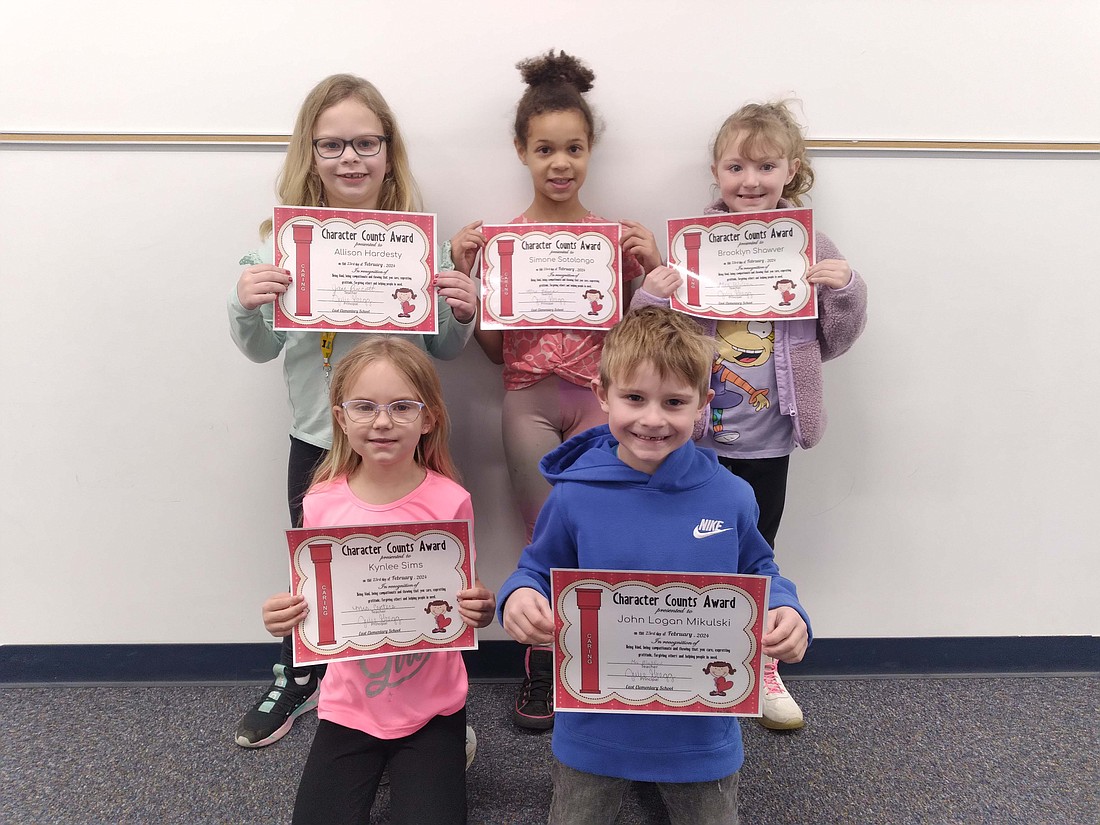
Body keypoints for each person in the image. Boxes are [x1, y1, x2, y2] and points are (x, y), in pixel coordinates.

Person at [227, 74, 477, 748]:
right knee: (317, 567)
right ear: (309, 154)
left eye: (365, 142)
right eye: (332, 144)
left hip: (406, 441)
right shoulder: (279, 246)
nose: (350, 158)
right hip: (319, 437)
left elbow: (446, 349)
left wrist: (463, 307)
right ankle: (300, 674)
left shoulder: (424, 242)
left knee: (414, 563)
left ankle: (430, 694)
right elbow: (257, 348)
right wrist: (246, 302)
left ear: (388, 151)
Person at [498, 306, 810, 825]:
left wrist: (786, 608)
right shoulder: (574, 497)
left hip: (699, 726)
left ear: (704, 404)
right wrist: (520, 597)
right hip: (593, 721)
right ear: (603, 395)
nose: (652, 419)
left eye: (674, 402)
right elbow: (536, 568)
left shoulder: (731, 496)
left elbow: (761, 572)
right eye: (634, 398)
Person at [446, 49, 662, 731]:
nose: (560, 162)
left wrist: (648, 271)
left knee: (606, 530)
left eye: (573, 147)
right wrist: (465, 274)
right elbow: (491, 352)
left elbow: (637, 344)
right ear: (521, 150)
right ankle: (541, 663)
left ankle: (601, 658)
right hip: (527, 400)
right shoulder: (502, 241)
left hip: (599, 402)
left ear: (591, 149)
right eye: (545, 148)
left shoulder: (613, 239)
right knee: (543, 534)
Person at [633, 100, 867, 730]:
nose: (750, 180)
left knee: (757, 550)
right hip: (699, 440)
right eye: (736, 166)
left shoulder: (811, 247)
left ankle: (758, 663)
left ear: (791, 170)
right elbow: (652, 348)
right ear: (716, 171)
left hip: (768, 440)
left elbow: (836, 340)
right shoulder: (692, 246)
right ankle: (686, 658)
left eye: (765, 165)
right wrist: (649, 296)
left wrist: (844, 289)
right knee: (686, 550)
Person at [261, 337, 495, 825]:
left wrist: (480, 609)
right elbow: (315, 601)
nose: (383, 422)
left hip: (434, 708)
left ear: (428, 419)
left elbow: (460, 599)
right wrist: (287, 615)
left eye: (402, 407)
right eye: (364, 407)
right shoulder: (321, 503)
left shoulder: (451, 501)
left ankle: (451, 749)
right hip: (348, 706)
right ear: (341, 418)